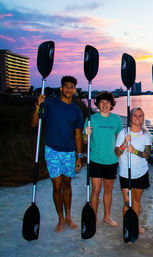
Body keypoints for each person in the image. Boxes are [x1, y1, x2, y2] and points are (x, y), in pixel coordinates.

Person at [31, 76, 83, 232]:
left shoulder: (76, 110)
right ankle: (60, 218)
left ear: (75, 90)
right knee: (57, 185)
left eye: (71, 86)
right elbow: (34, 124)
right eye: (66, 86)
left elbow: (78, 134)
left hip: (69, 152)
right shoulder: (50, 104)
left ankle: (68, 217)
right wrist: (38, 107)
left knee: (67, 184)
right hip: (52, 150)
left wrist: (79, 157)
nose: (68, 89)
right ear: (61, 88)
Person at [83, 92, 122, 227]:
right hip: (95, 160)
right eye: (102, 102)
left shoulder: (116, 120)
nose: (104, 104)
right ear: (98, 104)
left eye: (107, 102)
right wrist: (86, 134)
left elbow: (120, 138)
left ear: (111, 104)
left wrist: (120, 151)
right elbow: (84, 140)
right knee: (96, 190)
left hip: (111, 161)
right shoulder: (91, 119)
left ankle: (106, 217)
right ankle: (93, 217)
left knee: (108, 190)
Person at [115, 107, 151, 234]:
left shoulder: (146, 134)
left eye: (140, 115)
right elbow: (117, 153)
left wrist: (134, 151)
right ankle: (126, 225)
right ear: (131, 118)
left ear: (143, 118)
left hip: (141, 172)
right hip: (126, 173)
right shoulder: (123, 133)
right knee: (127, 202)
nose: (138, 118)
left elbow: (147, 154)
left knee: (136, 201)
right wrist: (124, 144)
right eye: (135, 115)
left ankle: (135, 224)